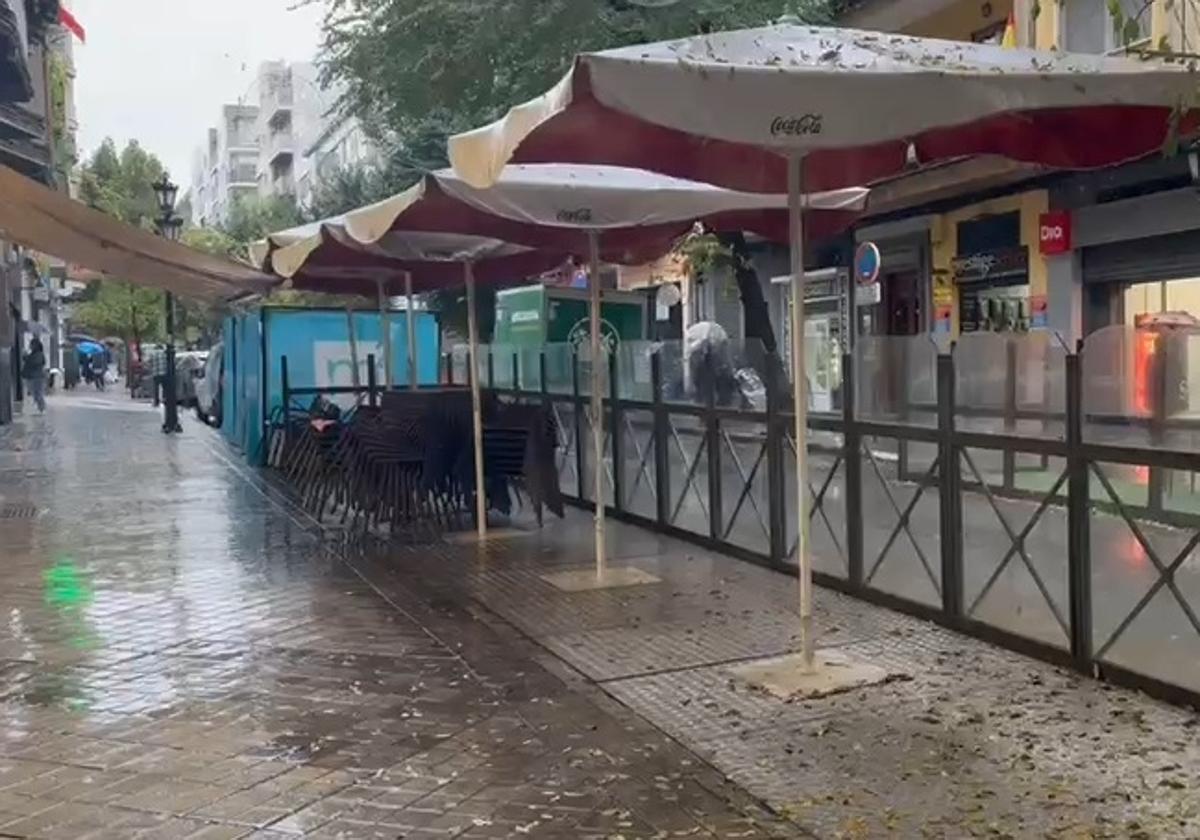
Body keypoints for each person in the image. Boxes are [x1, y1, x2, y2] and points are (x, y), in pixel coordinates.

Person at [21, 338, 46, 414]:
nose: (30, 346)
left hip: (37, 377)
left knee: (38, 393)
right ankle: (40, 408)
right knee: (35, 393)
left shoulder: (39, 354)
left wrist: (26, 357)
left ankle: (42, 409)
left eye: (32, 344)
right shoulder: (33, 354)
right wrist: (25, 356)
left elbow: (34, 362)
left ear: (36, 345)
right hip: (32, 377)